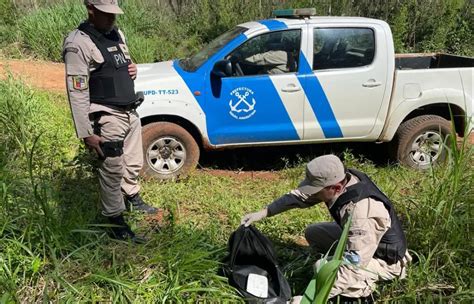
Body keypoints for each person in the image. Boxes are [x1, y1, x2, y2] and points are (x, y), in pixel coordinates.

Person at [241, 154, 411, 301]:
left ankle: (361, 295)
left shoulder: (362, 215)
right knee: (314, 232)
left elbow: (352, 267)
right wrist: (265, 212)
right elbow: (300, 197)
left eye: (316, 190)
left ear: (335, 188)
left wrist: (309, 299)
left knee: (322, 268)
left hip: (386, 260)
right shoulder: (343, 180)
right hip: (364, 241)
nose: (312, 194)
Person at [63, 0, 158, 243]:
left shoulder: (117, 33)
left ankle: (132, 197)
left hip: (130, 111)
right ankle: (114, 219)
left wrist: (133, 68)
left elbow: (120, 63)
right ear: (91, 10)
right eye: (106, 14)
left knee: (134, 161)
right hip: (107, 113)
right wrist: (85, 132)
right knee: (112, 167)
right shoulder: (78, 42)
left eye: (114, 14)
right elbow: (77, 91)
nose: (111, 19)